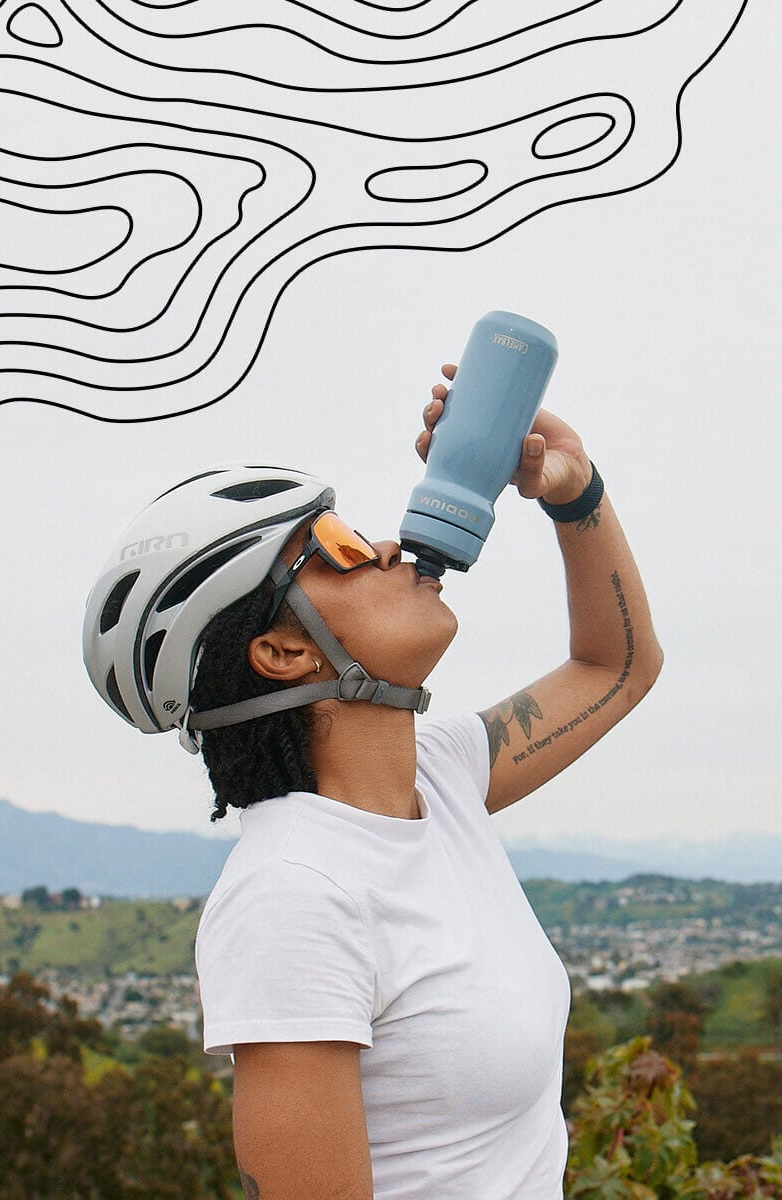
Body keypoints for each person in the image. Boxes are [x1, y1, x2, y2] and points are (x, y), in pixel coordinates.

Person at [82, 362, 663, 1200]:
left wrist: (573, 495)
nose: (387, 543)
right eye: (338, 549)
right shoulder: (293, 898)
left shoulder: (445, 776)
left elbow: (620, 665)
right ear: (283, 654)